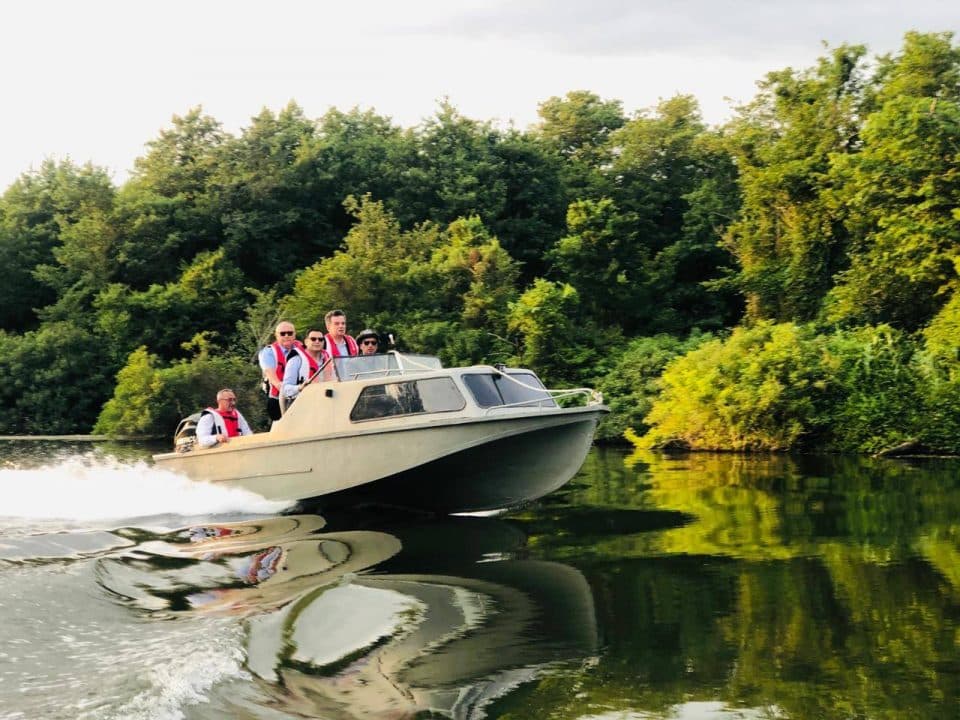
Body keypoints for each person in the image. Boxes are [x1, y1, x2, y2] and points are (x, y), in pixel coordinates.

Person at [259, 321, 300, 421]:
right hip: (278, 398)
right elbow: (274, 379)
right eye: (282, 333)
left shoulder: (302, 349)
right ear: (276, 335)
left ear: (294, 334)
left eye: (290, 333)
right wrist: (293, 390)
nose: (286, 336)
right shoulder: (268, 352)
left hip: (300, 396)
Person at [282, 329, 332, 401]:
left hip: (324, 400)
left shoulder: (328, 358)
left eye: (320, 339)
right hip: (300, 402)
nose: (317, 341)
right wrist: (300, 387)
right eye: (313, 339)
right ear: (306, 342)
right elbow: (285, 390)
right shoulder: (296, 360)